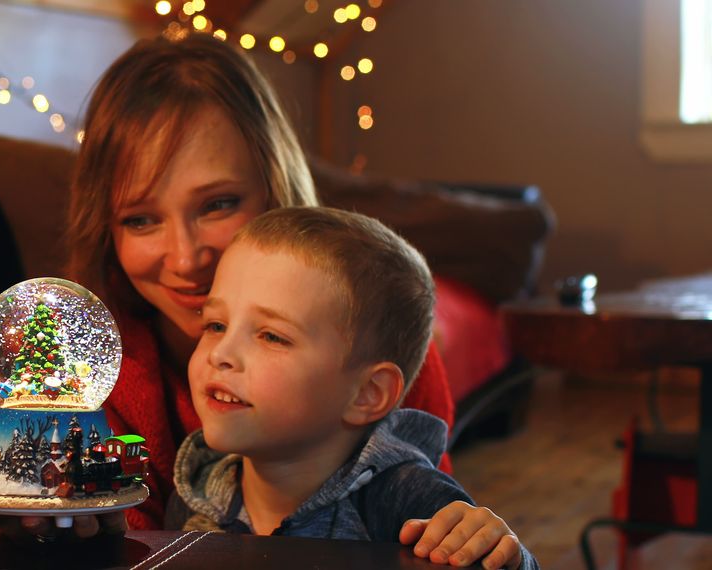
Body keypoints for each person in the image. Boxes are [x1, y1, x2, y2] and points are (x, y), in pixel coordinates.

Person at [61, 33, 456, 534]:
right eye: (140, 220)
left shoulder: (375, 336)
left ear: (276, 190)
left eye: (218, 204)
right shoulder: (89, 372)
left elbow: (435, 527)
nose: (185, 259)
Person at [172, 207, 537, 570]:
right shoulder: (194, 490)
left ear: (367, 394)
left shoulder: (409, 502)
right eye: (216, 325)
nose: (220, 353)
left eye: (271, 336)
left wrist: (504, 556)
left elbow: (483, 554)